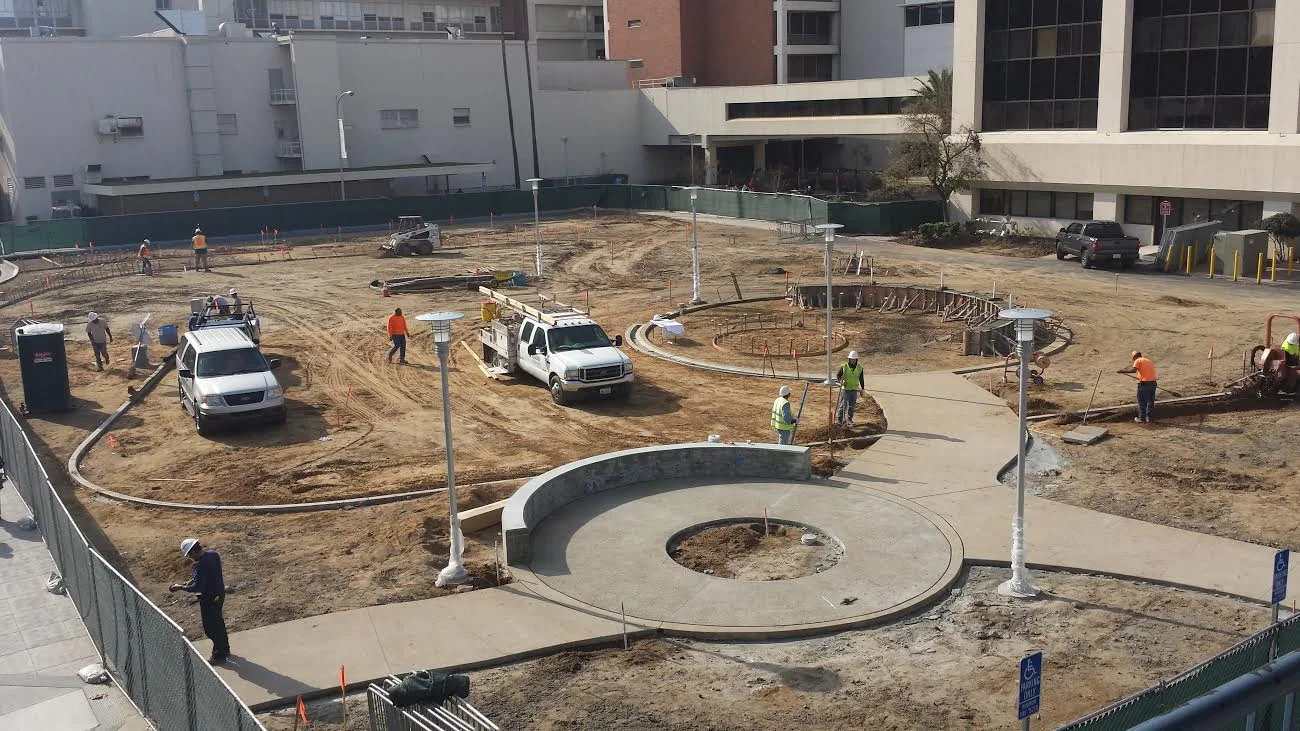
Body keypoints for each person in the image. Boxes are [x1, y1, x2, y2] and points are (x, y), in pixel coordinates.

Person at [169, 538, 229, 665]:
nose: (190, 558)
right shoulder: (214, 555)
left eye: (190, 555)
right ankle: (225, 648)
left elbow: (198, 587)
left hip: (209, 599)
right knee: (219, 622)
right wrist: (188, 582)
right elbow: (204, 577)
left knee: (210, 628)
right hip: (219, 594)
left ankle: (219, 655)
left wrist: (180, 587)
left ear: (193, 552)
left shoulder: (200, 565)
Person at [1117, 350, 1158, 423]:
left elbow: (1133, 370)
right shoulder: (1148, 360)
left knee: (1141, 402)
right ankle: (1150, 418)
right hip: (1153, 383)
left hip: (1144, 384)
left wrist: (1123, 371)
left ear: (1134, 357)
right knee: (1150, 402)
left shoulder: (1138, 360)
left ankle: (1142, 418)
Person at [835, 350, 865, 426]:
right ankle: (839, 420)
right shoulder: (844, 366)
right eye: (851, 359)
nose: (853, 361)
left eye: (854, 359)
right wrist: (841, 380)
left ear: (856, 359)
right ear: (849, 359)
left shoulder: (859, 368)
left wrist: (862, 388)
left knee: (852, 406)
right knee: (842, 405)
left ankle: (849, 420)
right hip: (845, 389)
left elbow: (861, 379)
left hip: (854, 389)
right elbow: (838, 376)